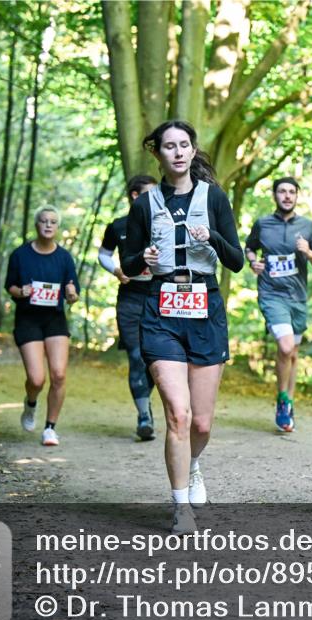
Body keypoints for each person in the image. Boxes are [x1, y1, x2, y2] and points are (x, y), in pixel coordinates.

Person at [121, 120, 244, 535]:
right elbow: (128, 263)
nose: (176, 152)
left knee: (202, 424)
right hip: (161, 313)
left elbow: (237, 261)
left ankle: (193, 465)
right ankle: (180, 507)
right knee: (178, 413)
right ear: (157, 153)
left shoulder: (215, 199)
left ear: (193, 152)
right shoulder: (144, 204)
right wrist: (145, 259)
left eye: (183, 145)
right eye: (168, 146)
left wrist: (210, 238)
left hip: (205, 309)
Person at [244, 177, 312, 432]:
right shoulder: (263, 224)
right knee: (286, 345)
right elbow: (250, 247)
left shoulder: (308, 227)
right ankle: (282, 399)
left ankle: (288, 402)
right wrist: (253, 261)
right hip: (271, 294)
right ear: (275, 195)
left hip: (298, 298)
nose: (287, 195)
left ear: (297, 196)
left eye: (292, 192)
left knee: (292, 353)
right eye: (282, 191)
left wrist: (308, 252)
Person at [4, 206, 80, 447]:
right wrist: (21, 291)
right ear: (36, 225)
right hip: (28, 319)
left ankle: (50, 428)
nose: (48, 225)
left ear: (58, 227)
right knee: (37, 379)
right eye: (44, 221)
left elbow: (73, 291)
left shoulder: (64, 257)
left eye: (53, 222)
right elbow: (11, 287)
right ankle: (31, 403)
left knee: (59, 374)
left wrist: (71, 294)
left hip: (55, 319)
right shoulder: (20, 255)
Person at [98, 174, 159, 441]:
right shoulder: (118, 226)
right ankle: (144, 415)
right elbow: (103, 253)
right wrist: (116, 270)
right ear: (136, 195)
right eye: (151, 192)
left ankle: (146, 403)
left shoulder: (164, 224)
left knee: (156, 361)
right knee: (136, 357)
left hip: (159, 298)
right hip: (131, 299)